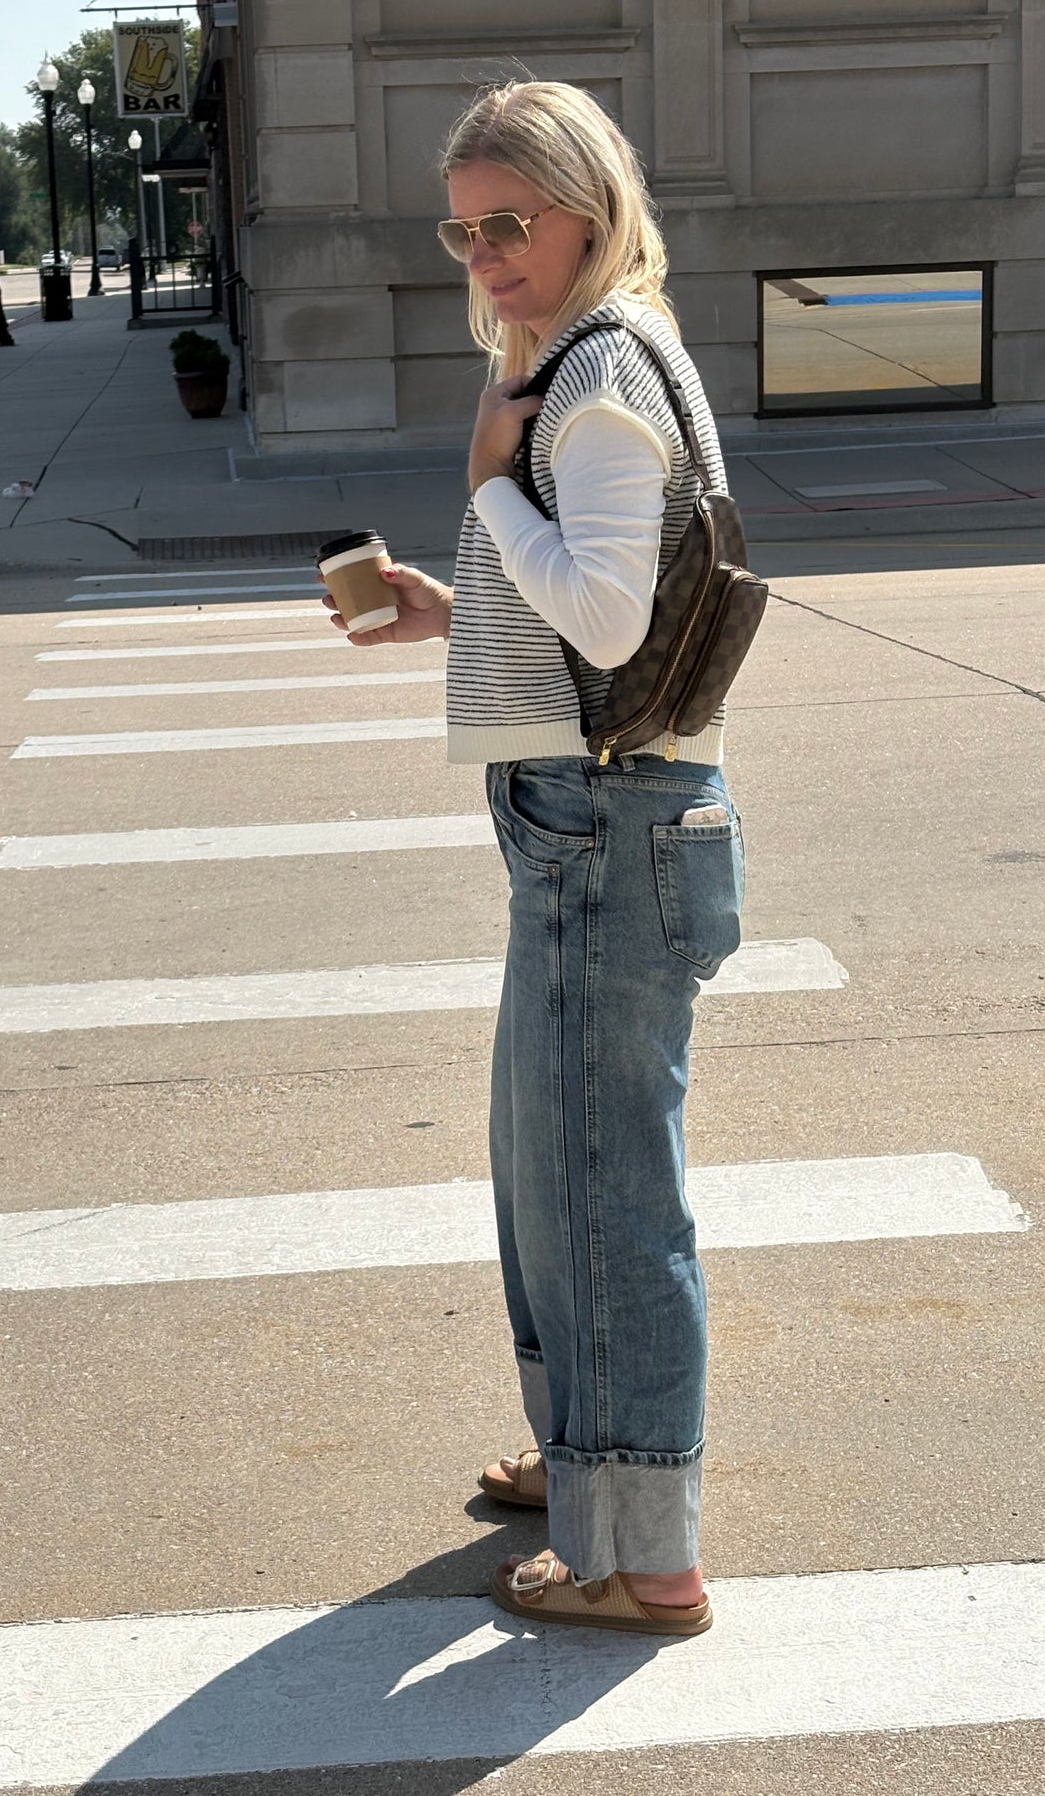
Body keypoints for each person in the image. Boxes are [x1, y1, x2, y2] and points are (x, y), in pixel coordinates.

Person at [321, 80, 743, 1637]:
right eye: (466, 227)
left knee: (601, 1190)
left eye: (514, 222)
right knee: (548, 1175)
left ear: (588, 207)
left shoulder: (598, 374)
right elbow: (583, 600)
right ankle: (586, 1461)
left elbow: (618, 618)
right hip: (586, 822)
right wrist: (462, 599)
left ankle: (643, 1552)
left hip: (607, 828)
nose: (487, 253)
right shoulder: (574, 362)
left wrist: (496, 478)